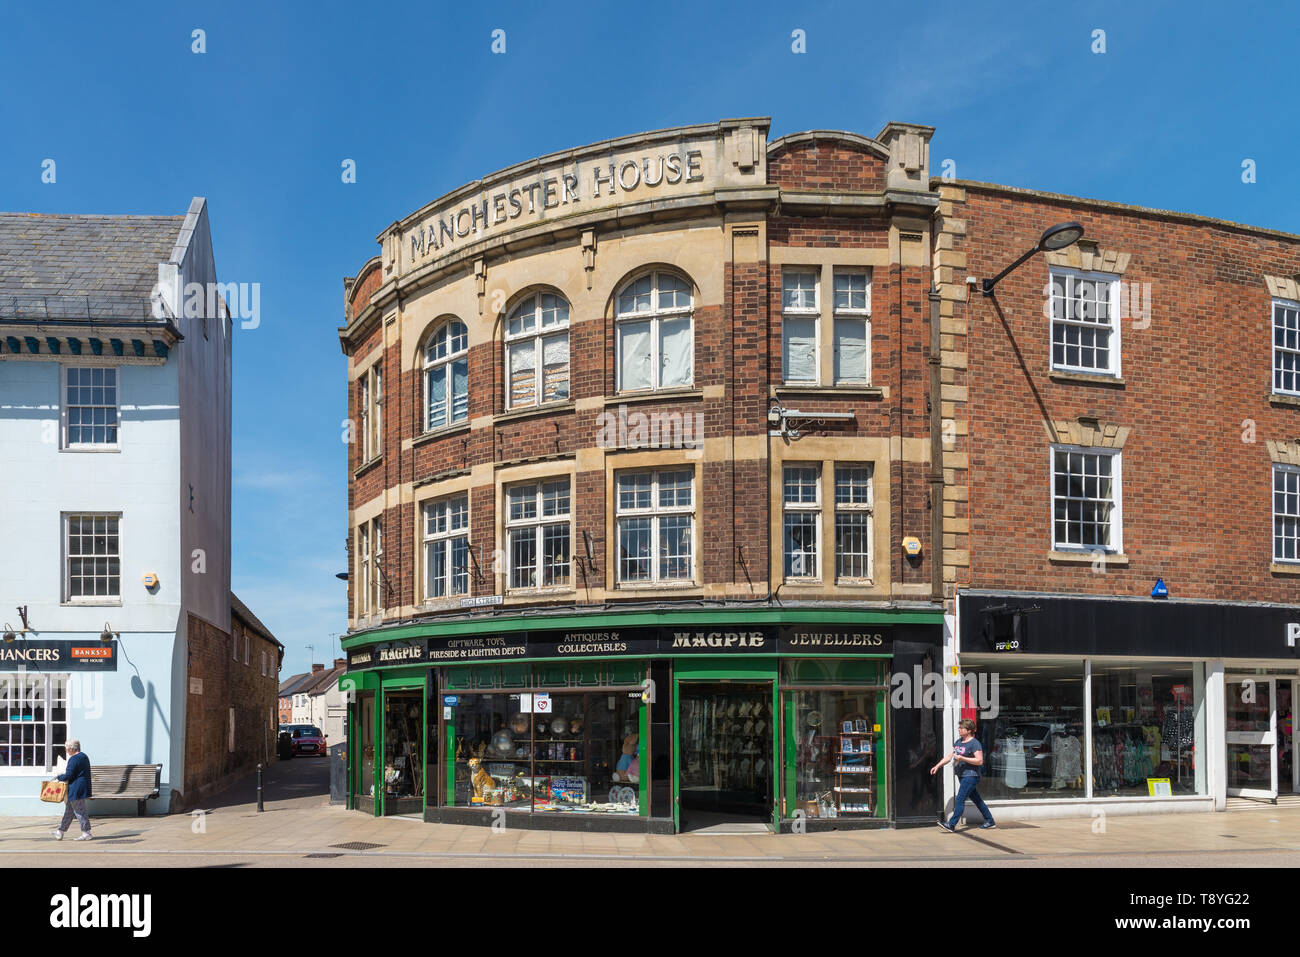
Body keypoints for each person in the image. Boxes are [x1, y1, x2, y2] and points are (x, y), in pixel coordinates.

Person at [930, 718, 995, 831]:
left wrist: (962, 758)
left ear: (969, 730)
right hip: (962, 775)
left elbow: (979, 761)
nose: (959, 729)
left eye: (961, 728)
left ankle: (951, 824)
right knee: (977, 799)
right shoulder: (958, 742)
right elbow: (949, 757)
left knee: (960, 799)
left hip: (971, 776)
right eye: (959, 728)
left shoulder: (974, 743)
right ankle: (990, 821)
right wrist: (938, 766)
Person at [50, 739, 92, 841]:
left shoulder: (73, 759)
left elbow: (69, 774)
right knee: (69, 810)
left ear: (71, 748)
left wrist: (59, 777)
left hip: (75, 788)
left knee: (79, 810)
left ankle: (86, 832)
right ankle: (60, 831)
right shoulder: (84, 756)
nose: (67, 751)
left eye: (67, 749)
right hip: (81, 787)